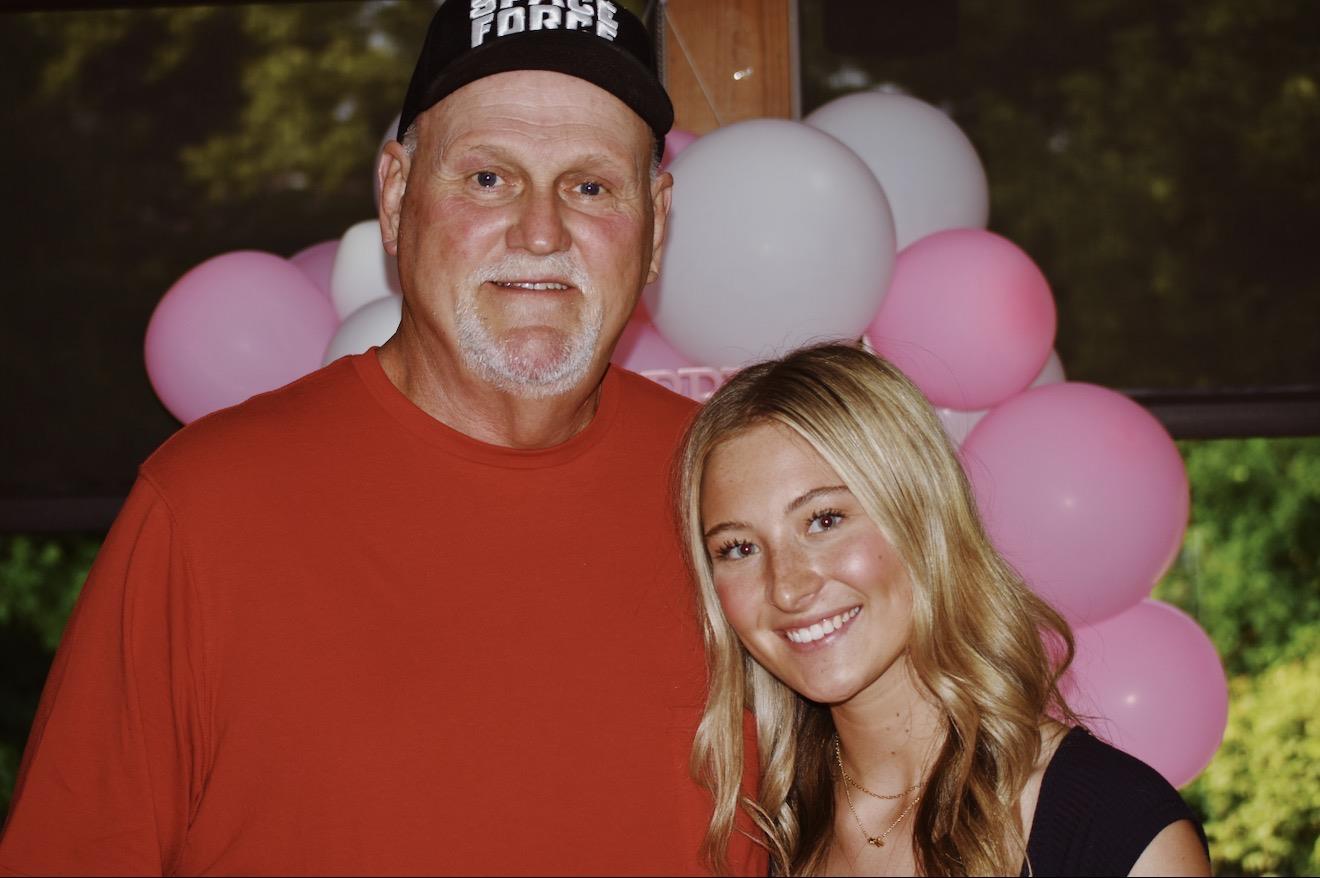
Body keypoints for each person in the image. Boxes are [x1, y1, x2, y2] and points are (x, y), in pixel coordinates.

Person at [0, 3, 764, 875]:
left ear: (657, 223)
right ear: (397, 195)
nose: (542, 231)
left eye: (591, 186)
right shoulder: (209, 509)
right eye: (488, 178)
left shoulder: (740, 493)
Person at [676, 342, 1211, 876]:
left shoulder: (1117, 831)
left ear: (921, 515)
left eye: (824, 520)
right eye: (738, 549)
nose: (787, 589)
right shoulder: (759, 832)